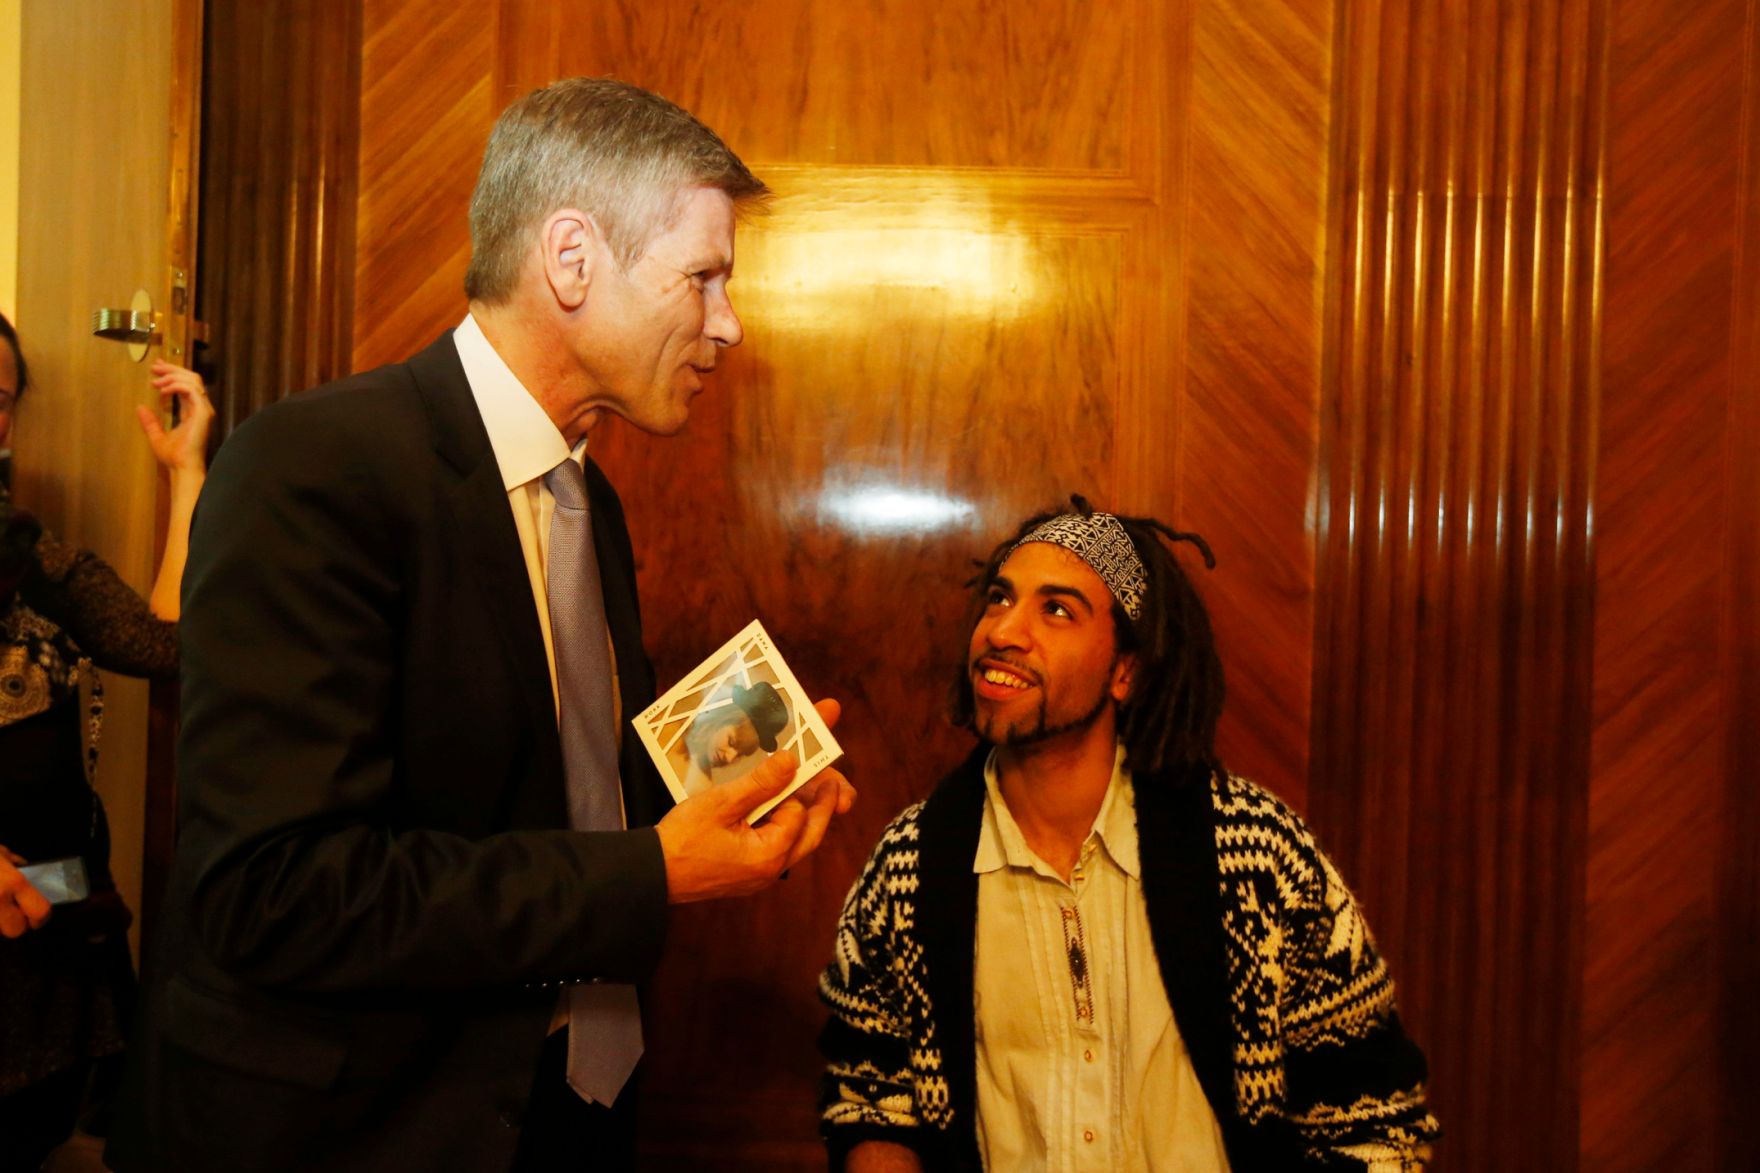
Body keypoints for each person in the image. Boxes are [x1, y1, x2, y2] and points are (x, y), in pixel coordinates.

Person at [106, 78, 854, 1173]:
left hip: (556, 1107)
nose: (727, 323)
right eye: (702, 276)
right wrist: (655, 873)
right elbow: (278, 894)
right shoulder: (313, 467)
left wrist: (728, 803)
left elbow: (537, 798)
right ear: (570, 259)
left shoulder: (588, 506)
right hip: (349, 1131)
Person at [818, 497, 1440, 1171]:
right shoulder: (910, 867)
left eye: (1056, 609)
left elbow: (1376, 1117)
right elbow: (871, 1102)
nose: (1004, 630)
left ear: (1126, 671)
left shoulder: (1255, 852)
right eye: (999, 599)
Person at [0, 309, 213, 1172]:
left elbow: (168, 644)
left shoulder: (29, 553)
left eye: (1, 399)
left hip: (53, 928)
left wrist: (186, 473)